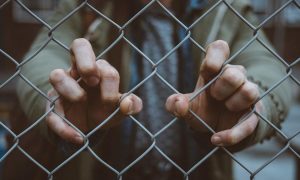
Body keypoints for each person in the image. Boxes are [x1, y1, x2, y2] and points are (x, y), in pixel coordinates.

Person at [2, 0, 292, 179]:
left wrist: (254, 103)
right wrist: (56, 97)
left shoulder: (223, 9)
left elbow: (267, 66)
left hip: (195, 170)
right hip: (103, 170)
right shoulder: (88, 7)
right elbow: (42, 57)